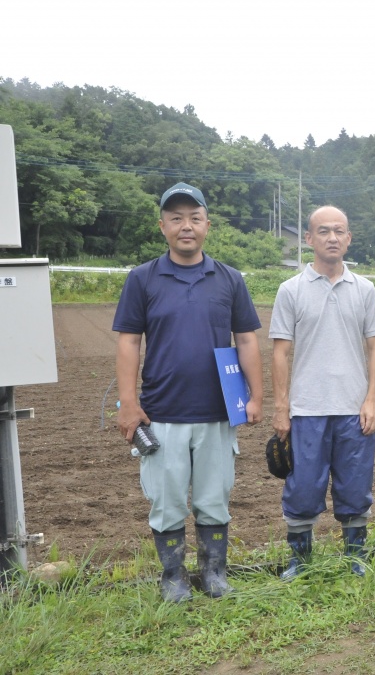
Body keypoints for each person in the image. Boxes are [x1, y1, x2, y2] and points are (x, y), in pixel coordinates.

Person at [114, 182, 263, 602]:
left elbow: (247, 339)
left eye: (194, 218)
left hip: (217, 412)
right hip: (162, 414)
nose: (186, 226)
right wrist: (129, 403)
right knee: (166, 500)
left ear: (207, 226)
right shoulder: (143, 279)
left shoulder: (229, 279)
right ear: (162, 226)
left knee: (215, 499)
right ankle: (173, 576)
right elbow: (129, 341)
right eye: (176, 218)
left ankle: (214, 572)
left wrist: (256, 395)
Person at [269, 206, 375, 579]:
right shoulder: (291, 290)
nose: (332, 238)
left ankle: (356, 557)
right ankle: (300, 561)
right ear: (309, 239)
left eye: (339, 231)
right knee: (302, 488)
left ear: (349, 238)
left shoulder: (365, 289)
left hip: (354, 409)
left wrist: (372, 400)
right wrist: (281, 407)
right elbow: (280, 352)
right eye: (323, 231)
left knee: (355, 486)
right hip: (307, 410)